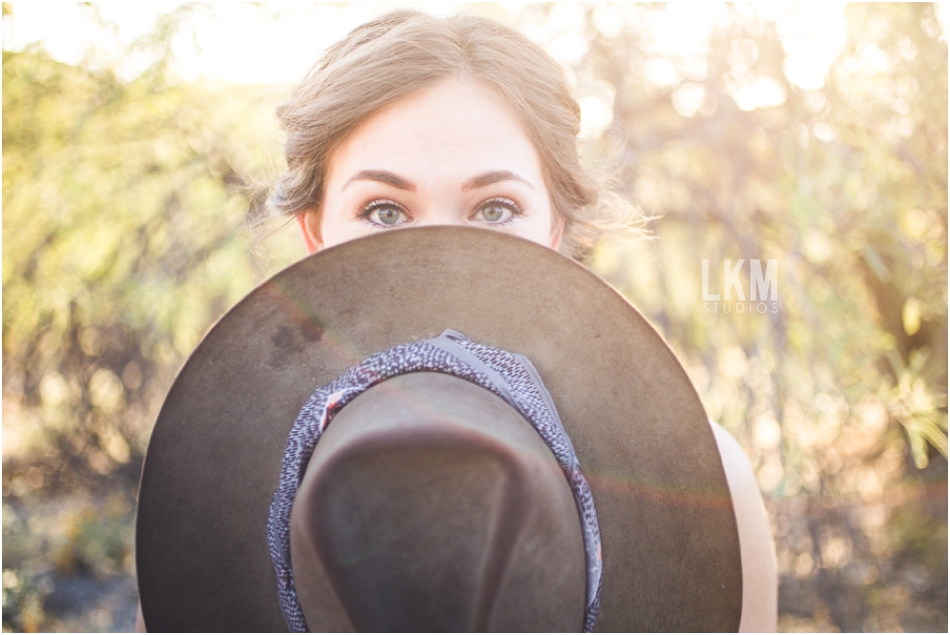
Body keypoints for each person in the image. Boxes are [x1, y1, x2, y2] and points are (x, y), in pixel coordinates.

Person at [138, 9, 776, 632]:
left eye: (495, 209)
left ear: (553, 227)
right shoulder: (206, 499)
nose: (442, 259)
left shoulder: (709, 485)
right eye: (384, 211)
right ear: (317, 235)